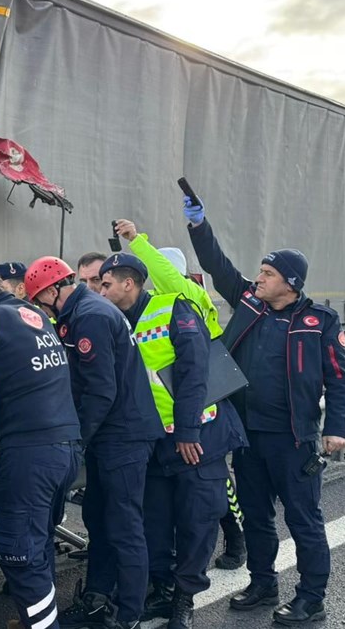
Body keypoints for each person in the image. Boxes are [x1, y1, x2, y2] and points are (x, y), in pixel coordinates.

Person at [182, 197, 345, 626]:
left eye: (268, 273)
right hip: (247, 436)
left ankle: (312, 598)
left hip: (293, 440)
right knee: (256, 515)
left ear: (290, 283)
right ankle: (262, 584)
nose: (258, 278)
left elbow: (339, 378)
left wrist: (335, 427)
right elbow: (218, 266)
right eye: (260, 271)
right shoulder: (250, 303)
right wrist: (198, 225)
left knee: (303, 520)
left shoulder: (320, 322)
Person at [97, 252, 245, 628]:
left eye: (105, 283)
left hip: (196, 435)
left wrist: (187, 431)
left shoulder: (173, 310)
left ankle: (185, 597)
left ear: (128, 283)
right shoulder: (109, 321)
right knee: (155, 523)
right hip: (149, 441)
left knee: (197, 518)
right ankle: (162, 589)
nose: (99, 290)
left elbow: (195, 373)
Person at [25, 256, 163, 629]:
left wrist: (76, 439)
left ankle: (128, 614)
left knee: (124, 524)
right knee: (99, 520)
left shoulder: (91, 317)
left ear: (54, 290)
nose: (40, 308)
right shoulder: (78, 315)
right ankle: (98, 599)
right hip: (111, 434)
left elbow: (101, 390)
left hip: (124, 435)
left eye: (40, 299)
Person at [0, 266, 82, 629]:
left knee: (16, 553)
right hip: (65, 445)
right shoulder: (34, 315)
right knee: (37, 544)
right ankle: (37, 620)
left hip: (31, 451)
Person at [114, 220, 246, 571]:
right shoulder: (149, 307)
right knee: (187, 500)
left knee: (215, 490)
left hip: (202, 408)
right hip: (168, 420)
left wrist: (136, 242)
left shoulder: (187, 298)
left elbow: (168, 278)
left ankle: (236, 536)